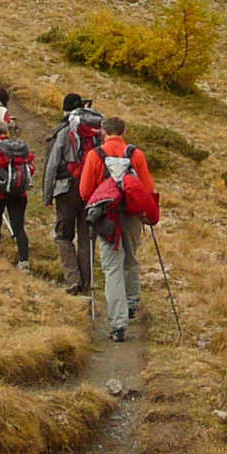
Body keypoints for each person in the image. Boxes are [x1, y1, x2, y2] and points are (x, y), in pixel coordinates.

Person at [78, 116, 156, 342]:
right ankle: (132, 303)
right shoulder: (136, 154)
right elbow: (148, 188)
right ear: (124, 131)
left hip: (106, 217)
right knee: (131, 258)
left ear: (103, 132)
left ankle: (118, 324)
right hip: (132, 215)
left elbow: (85, 192)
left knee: (112, 267)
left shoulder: (95, 156)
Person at [42, 93, 102, 295]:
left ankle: (72, 279)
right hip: (91, 191)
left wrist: (47, 194)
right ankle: (86, 283)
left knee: (63, 235)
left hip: (66, 189)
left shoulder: (64, 131)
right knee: (86, 237)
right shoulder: (96, 132)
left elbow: (52, 165)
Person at [0, 120, 33, 269]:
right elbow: (31, 167)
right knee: (18, 225)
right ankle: (24, 260)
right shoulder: (19, 146)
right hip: (19, 192)